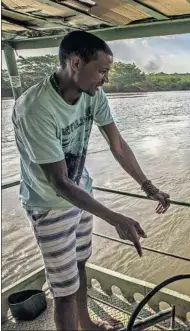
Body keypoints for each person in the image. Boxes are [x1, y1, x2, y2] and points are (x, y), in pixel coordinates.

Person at [12, 30, 170, 330]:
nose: (104, 80)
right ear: (75, 63)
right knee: (65, 292)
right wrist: (115, 218)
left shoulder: (93, 95)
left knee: (81, 266)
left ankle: (86, 324)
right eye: (101, 71)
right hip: (49, 206)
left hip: (82, 195)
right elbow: (59, 182)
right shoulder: (35, 108)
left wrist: (149, 187)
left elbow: (118, 145)